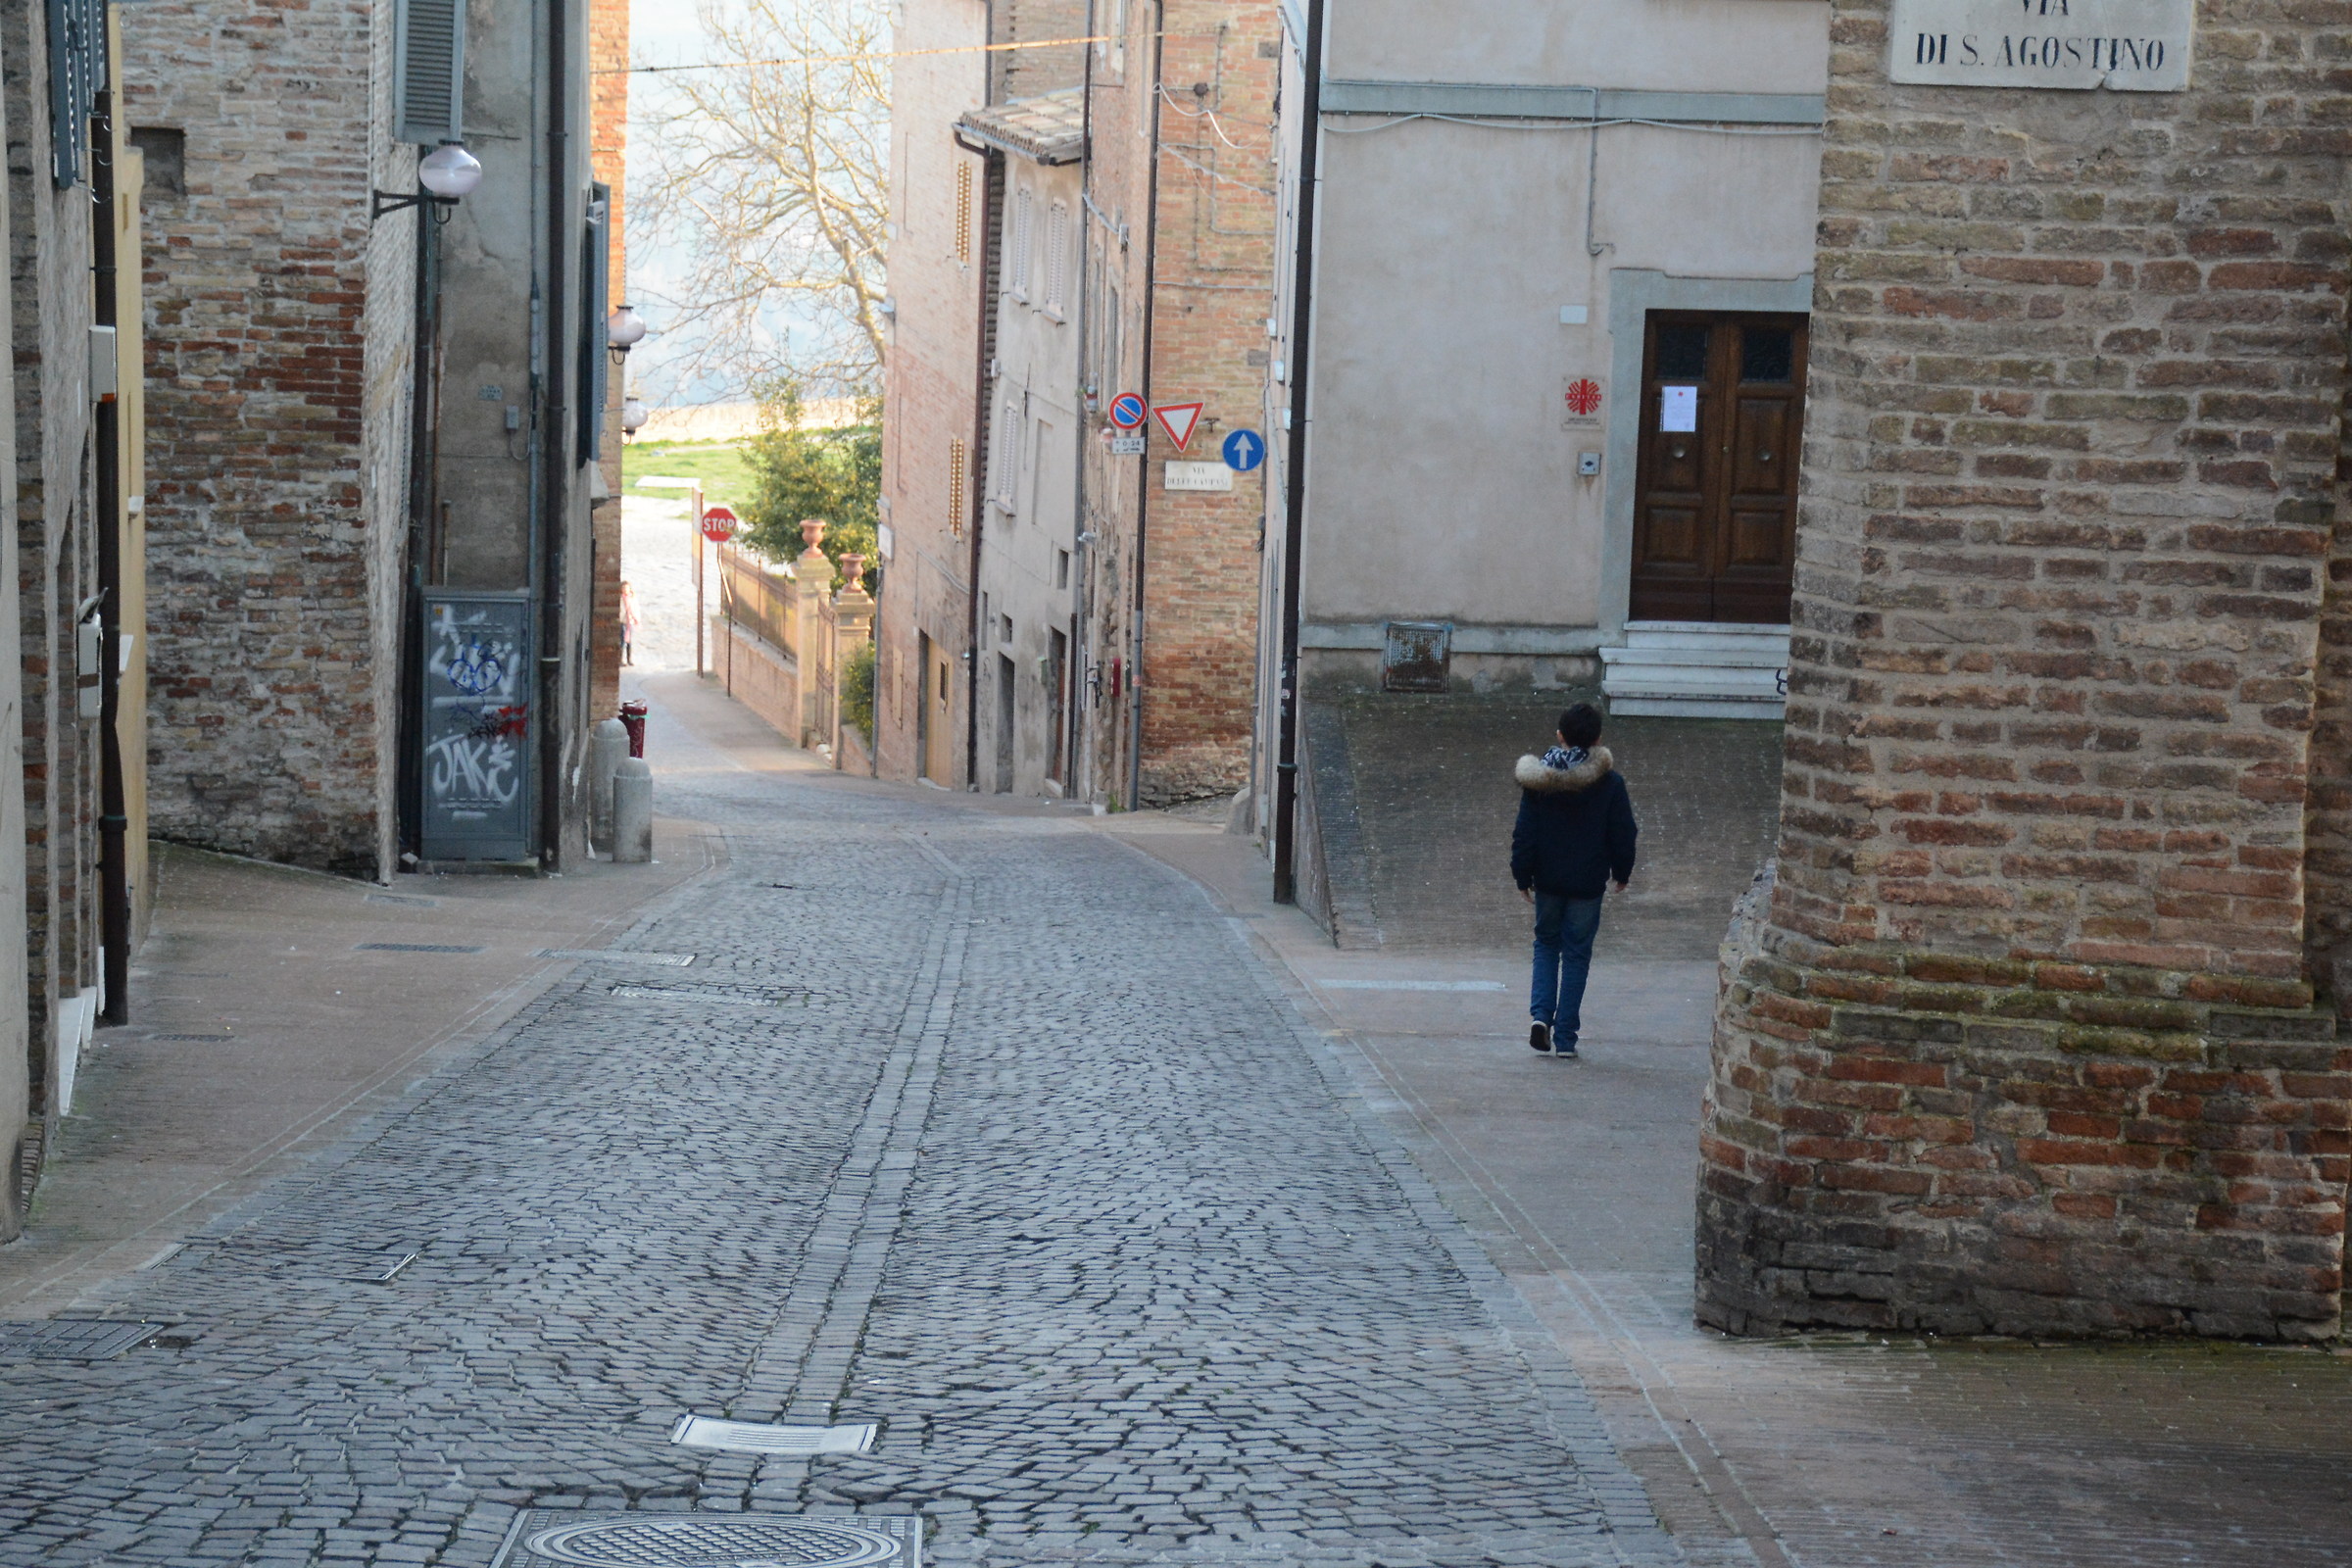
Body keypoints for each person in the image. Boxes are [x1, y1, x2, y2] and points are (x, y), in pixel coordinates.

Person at [1510, 702, 1638, 1058]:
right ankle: (1566, 1038)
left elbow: (1525, 833)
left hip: (1548, 880)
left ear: (1559, 736)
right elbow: (1624, 831)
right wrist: (1622, 871)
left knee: (1546, 945)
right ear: (1598, 739)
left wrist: (1522, 874)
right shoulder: (1610, 783)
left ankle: (1540, 1018)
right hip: (1587, 882)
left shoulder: (1539, 783)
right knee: (1577, 954)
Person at [618, 580, 642, 667]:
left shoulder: (633, 598)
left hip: (630, 622)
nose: (625, 589)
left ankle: (629, 659)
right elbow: (621, 610)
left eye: (627, 588)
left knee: (629, 642)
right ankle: (620, 660)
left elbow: (636, 609)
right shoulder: (620, 598)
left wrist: (636, 618)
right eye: (623, 588)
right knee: (622, 641)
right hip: (623, 621)